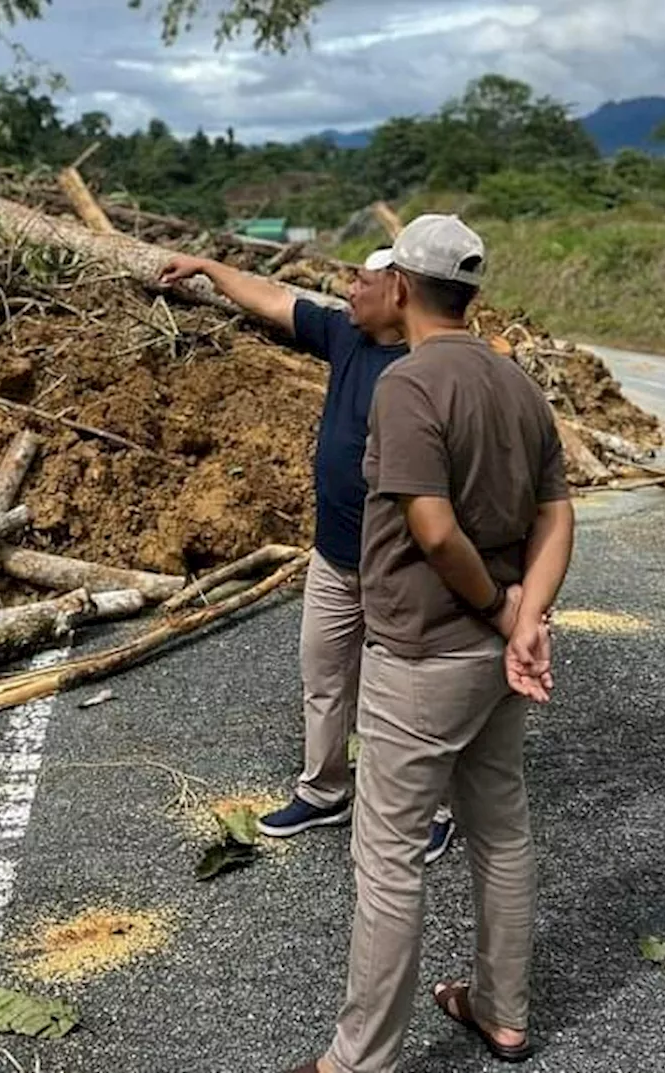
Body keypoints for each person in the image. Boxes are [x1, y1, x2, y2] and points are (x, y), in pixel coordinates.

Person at [286, 214, 575, 1073]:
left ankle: (358, 1059)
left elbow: (434, 528)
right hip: (492, 664)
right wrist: (528, 618)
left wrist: (499, 610)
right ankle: (501, 1012)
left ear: (403, 286)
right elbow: (558, 513)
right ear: (472, 292)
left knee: (386, 859)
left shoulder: (408, 386)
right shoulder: (516, 382)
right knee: (501, 828)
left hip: (422, 653)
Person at [158, 250, 454, 861]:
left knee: (404, 691)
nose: (348, 290)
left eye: (361, 283)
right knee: (323, 675)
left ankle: (433, 810)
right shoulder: (348, 337)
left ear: (397, 292)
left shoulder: (431, 366)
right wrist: (208, 268)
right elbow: (270, 297)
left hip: (401, 565)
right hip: (334, 556)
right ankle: (325, 791)